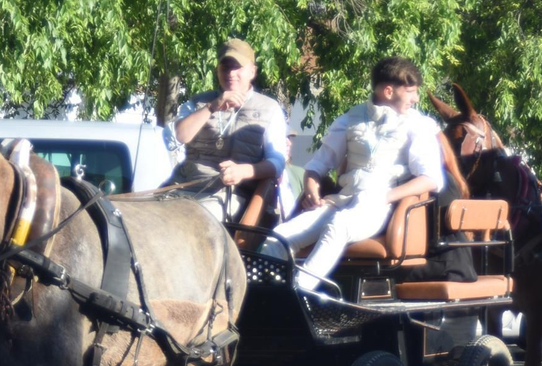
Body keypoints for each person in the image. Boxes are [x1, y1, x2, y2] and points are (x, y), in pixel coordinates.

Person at [271, 57, 445, 292]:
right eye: (411, 92)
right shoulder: (350, 119)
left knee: (338, 226)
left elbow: (431, 178)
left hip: (377, 204)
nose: (416, 99)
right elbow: (318, 165)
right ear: (388, 91)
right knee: (279, 237)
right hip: (341, 201)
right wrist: (311, 188)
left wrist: (385, 196)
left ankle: (297, 294)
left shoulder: (418, 125)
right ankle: (263, 295)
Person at [167, 38, 290, 221]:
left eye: (237, 67)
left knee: (191, 219)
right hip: (183, 188)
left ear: (252, 71)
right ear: (217, 70)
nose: (231, 73)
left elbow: (278, 162)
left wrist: (244, 171)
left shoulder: (270, 109)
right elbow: (180, 136)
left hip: (231, 197)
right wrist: (211, 107)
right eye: (225, 67)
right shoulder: (198, 102)